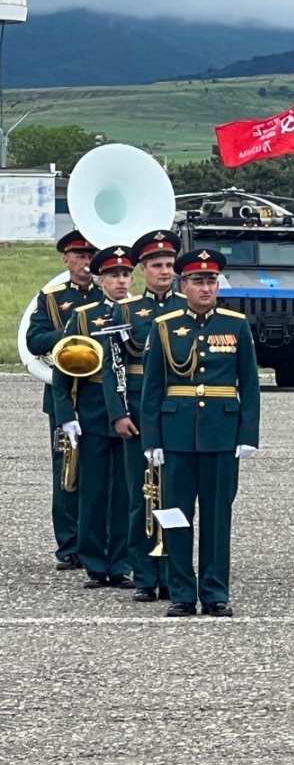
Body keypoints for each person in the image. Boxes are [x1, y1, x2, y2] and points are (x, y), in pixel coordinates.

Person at [139, 249, 261, 617]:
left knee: (216, 517)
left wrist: (248, 434)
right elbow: (153, 389)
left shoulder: (236, 325)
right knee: (176, 516)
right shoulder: (165, 326)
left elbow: (250, 385)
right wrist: (152, 439)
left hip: (222, 433)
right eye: (198, 281)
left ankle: (214, 592)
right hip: (176, 434)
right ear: (183, 285)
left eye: (211, 281)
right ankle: (180, 592)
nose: (206, 288)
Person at [52, 245, 135, 589]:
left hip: (130, 407)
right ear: (100, 279)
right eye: (113, 275)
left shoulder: (140, 311)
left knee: (126, 492)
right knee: (94, 490)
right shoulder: (84, 316)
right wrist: (66, 414)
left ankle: (121, 562)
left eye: (126, 274)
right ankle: (95, 563)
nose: (120, 280)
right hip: (94, 409)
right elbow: (64, 368)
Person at [112, 229, 185, 602]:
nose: (165, 271)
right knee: (139, 495)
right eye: (157, 265)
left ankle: (173, 573)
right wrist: (118, 414)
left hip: (175, 411)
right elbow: (114, 367)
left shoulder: (186, 307)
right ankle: (143, 574)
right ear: (142, 269)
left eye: (170, 264)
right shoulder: (125, 310)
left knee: (173, 494)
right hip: (137, 412)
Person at [27, 230, 102, 570]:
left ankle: (99, 544)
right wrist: (71, 332)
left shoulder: (110, 294)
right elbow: (34, 340)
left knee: (103, 474)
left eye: (90, 255)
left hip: (101, 394)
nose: (86, 262)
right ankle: (69, 546)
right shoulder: (53, 298)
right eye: (80, 255)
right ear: (66, 260)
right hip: (63, 395)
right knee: (67, 473)